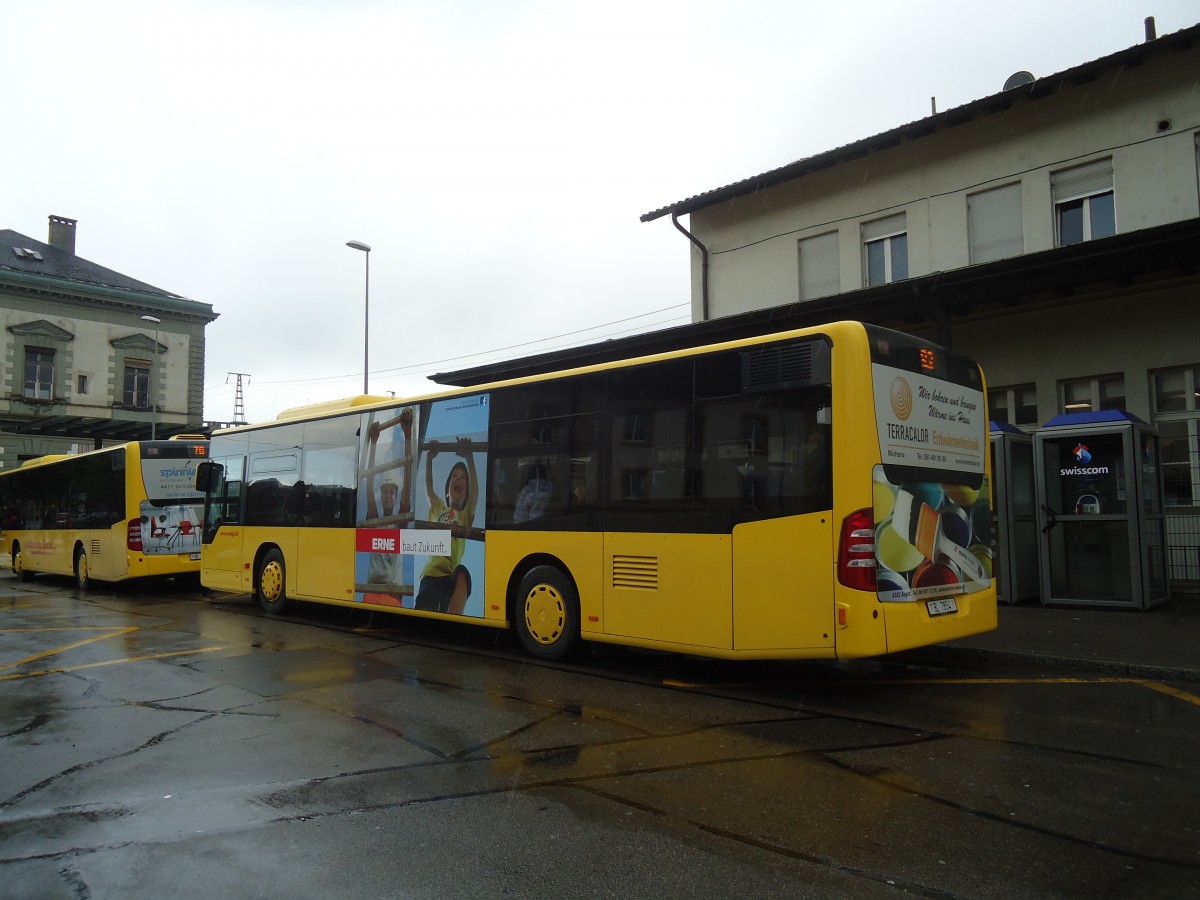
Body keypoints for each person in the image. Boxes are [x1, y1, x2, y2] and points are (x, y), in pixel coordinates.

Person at [414, 436, 478, 615]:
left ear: (466, 494)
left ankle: (453, 621)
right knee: (427, 612)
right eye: (455, 477)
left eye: (463, 477)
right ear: (448, 492)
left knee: (463, 574)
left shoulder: (465, 515)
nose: (458, 479)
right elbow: (428, 488)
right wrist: (429, 459)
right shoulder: (439, 507)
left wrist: (469, 457)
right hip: (431, 574)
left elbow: (475, 493)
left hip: (451, 575)